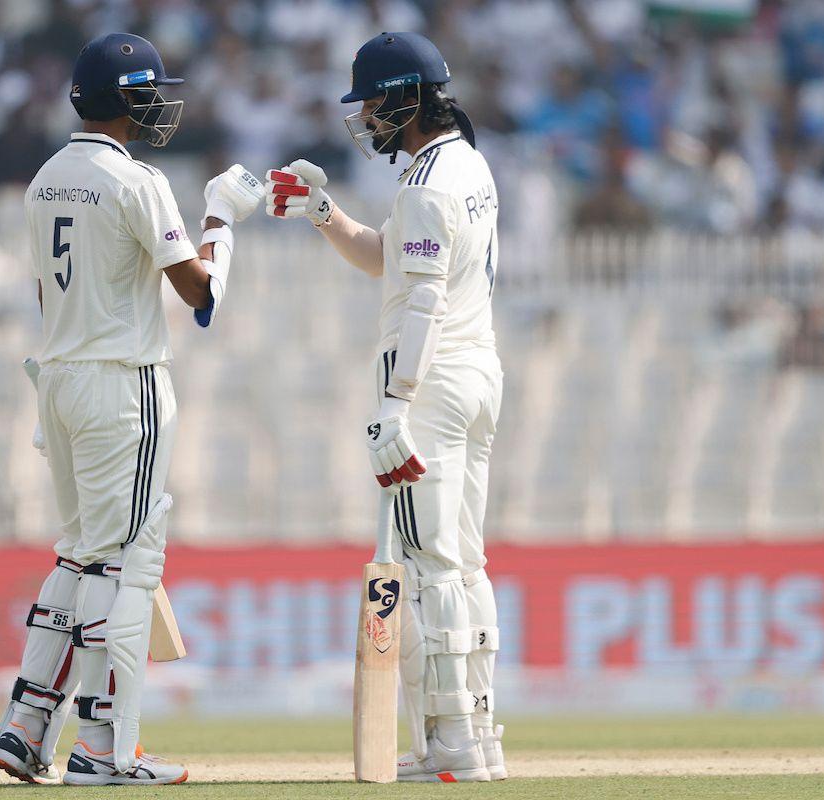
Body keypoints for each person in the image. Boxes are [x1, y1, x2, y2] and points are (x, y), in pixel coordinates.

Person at [0, 33, 263, 786]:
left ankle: (26, 723)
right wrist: (223, 216)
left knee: (79, 553)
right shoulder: (135, 180)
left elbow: (49, 295)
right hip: (123, 383)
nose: (159, 103)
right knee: (125, 566)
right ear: (123, 99)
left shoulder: (45, 179)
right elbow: (202, 296)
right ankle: (105, 748)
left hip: (62, 376)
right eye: (149, 91)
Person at [265, 32, 507, 782]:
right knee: (463, 563)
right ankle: (480, 736)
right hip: (477, 376)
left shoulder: (430, 184)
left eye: (372, 102)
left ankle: (452, 746)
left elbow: (424, 300)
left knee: (432, 566)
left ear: (405, 97)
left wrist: (395, 402)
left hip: (431, 388)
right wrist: (324, 213)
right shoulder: (463, 164)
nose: (366, 117)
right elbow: (389, 261)